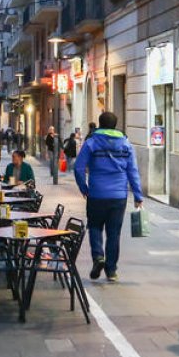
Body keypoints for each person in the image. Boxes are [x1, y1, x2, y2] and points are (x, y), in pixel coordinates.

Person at [73, 112, 143, 283]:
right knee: (114, 234)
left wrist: (84, 187)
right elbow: (132, 171)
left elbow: (78, 167)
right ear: (115, 124)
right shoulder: (126, 144)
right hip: (118, 196)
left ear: (100, 124)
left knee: (95, 227)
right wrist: (138, 195)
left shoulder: (92, 142)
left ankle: (98, 257)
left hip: (96, 194)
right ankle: (111, 271)